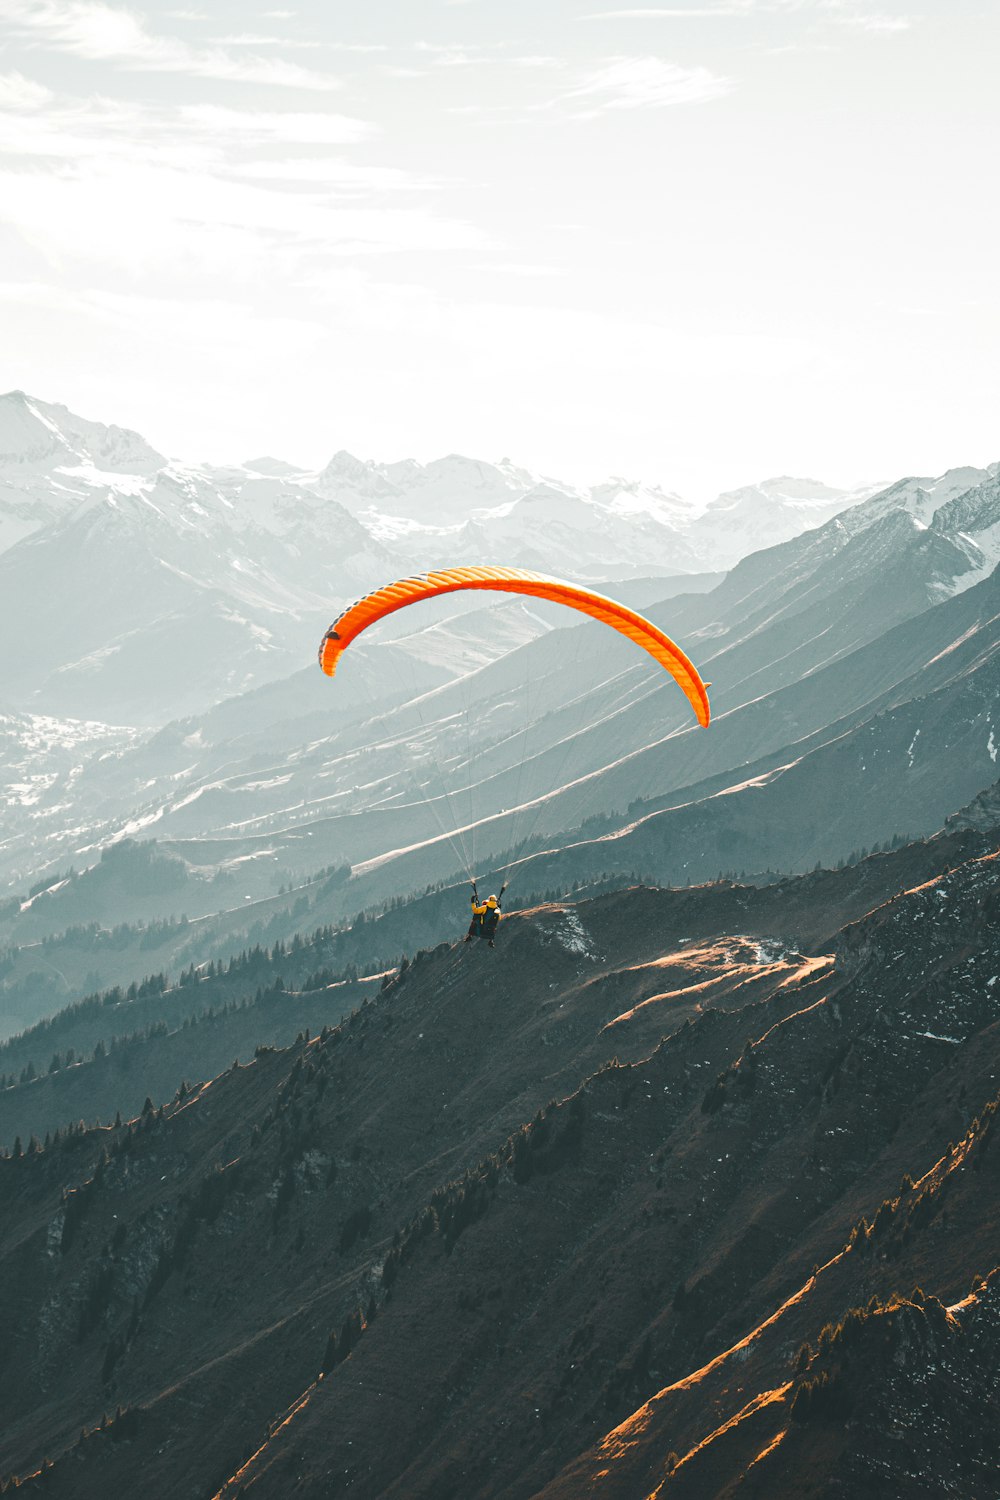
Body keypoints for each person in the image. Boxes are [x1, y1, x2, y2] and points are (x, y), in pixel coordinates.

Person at [464, 881, 506, 947]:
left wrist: (473, 902)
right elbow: (499, 918)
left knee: (475, 918)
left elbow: (475, 911)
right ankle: (491, 941)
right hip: (490, 932)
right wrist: (499, 908)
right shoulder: (497, 910)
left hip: (482, 928)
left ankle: (469, 936)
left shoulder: (485, 907)